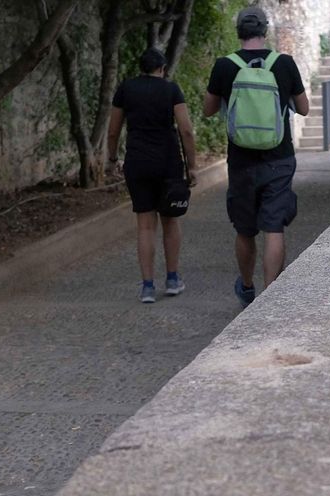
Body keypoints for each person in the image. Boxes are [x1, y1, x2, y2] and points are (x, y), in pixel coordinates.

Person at [204, 6, 309, 308]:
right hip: (279, 158)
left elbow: (208, 110)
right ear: (265, 30)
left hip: (241, 161)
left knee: (245, 229)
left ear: (239, 31)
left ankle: (247, 287)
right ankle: (271, 295)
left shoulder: (225, 66)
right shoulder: (284, 63)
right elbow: (303, 109)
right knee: (273, 227)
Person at [107, 47, 197, 304]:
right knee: (170, 220)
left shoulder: (126, 89)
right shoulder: (171, 89)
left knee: (145, 225)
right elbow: (186, 130)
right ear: (162, 68)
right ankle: (172, 279)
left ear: (141, 68)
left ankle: (147, 287)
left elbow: (113, 130)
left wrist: (112, 159)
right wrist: (192, 166)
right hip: (168, 163)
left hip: (137, 162)